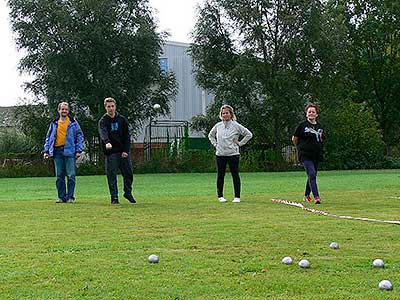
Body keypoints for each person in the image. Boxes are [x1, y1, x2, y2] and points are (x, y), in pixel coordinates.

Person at [208, 104, 253, 203]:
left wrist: (240, 143)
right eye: (223, 113)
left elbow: (249, 134)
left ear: (231, 114)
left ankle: (237, 197)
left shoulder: (236, 125)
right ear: (221, 115)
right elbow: (210, 135)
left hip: (233, 154)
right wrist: (215, 144)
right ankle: (220, 196)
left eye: (227, 113)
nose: (225, 115)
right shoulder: (218, 126)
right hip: (220, 154)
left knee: (235, 175)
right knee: (220, 175)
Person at [43, 102, 84, 203]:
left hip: (70, 151)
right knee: (59, 175)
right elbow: (48, 138)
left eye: (66, 109)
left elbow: (79, 136)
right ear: (59, 110)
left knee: (71, 175)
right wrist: (46, 150)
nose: (64, 111)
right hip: (57, 151)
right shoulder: (54, 123)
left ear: (68, 111)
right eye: (62, 109)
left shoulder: (73, 123)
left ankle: (70, 197)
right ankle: (61, 197)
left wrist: (79, 150)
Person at [98, 97, 136, 205]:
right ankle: (114, 197)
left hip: (122, 151)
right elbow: (103, 132)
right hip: (111, 152)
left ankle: (127, 193)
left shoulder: (122, 120)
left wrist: (126, 150)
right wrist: (107, 142)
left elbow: (127, 136)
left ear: (115, 106)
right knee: (112, 175)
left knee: (128, 174)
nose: (111, 108)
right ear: (105, 108)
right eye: (108, 106)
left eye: (112, 106)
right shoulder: (103, 121)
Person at [292, 103, 324, 204]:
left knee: (312, 175)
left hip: (316, 154)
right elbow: (294, 138)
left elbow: (321, 139)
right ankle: (316, 197)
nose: (311, 113)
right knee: (312, 174)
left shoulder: (319, 127)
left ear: (316, 114)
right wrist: (299, 148)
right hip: (305, 154)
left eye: (313, 112)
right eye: (309, 112)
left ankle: (306, 195)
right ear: (306, 114)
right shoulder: (302, 126)